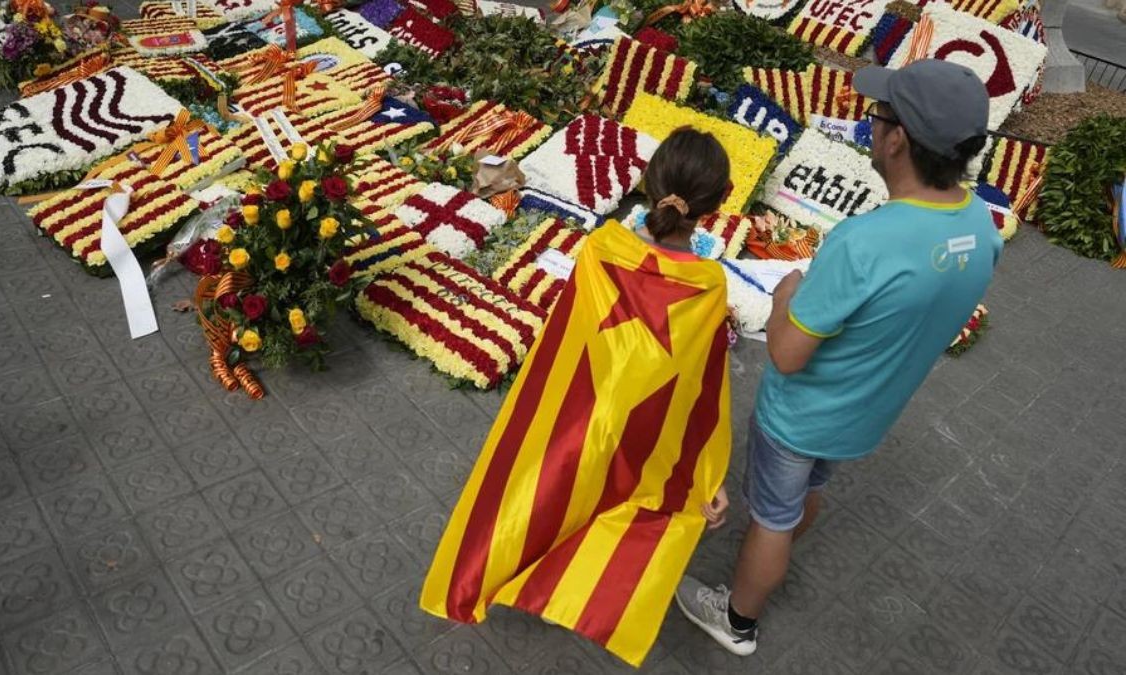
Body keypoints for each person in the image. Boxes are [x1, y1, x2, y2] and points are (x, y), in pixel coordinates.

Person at [675, 59, 1003, 656]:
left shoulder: (865, 242)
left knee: (772, 515)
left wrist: (784, 294)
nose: (872, 127)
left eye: (879, 117)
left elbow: (787, 353)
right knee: (807, 489)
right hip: (865, 414)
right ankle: (776, 546)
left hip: (801, 415)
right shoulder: (980, 225)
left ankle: (737, 621)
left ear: (897, 138)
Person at [420, 128, 739, 667]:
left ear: (644, 181)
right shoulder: (707, 284)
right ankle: (582, 588)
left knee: (546, 493)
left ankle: (491, 573)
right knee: (624, 505)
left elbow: (565, 337)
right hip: (644, 424)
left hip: (581, 405)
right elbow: (701, 385)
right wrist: (706, 474)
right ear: (721, 200)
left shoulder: (602, 248)